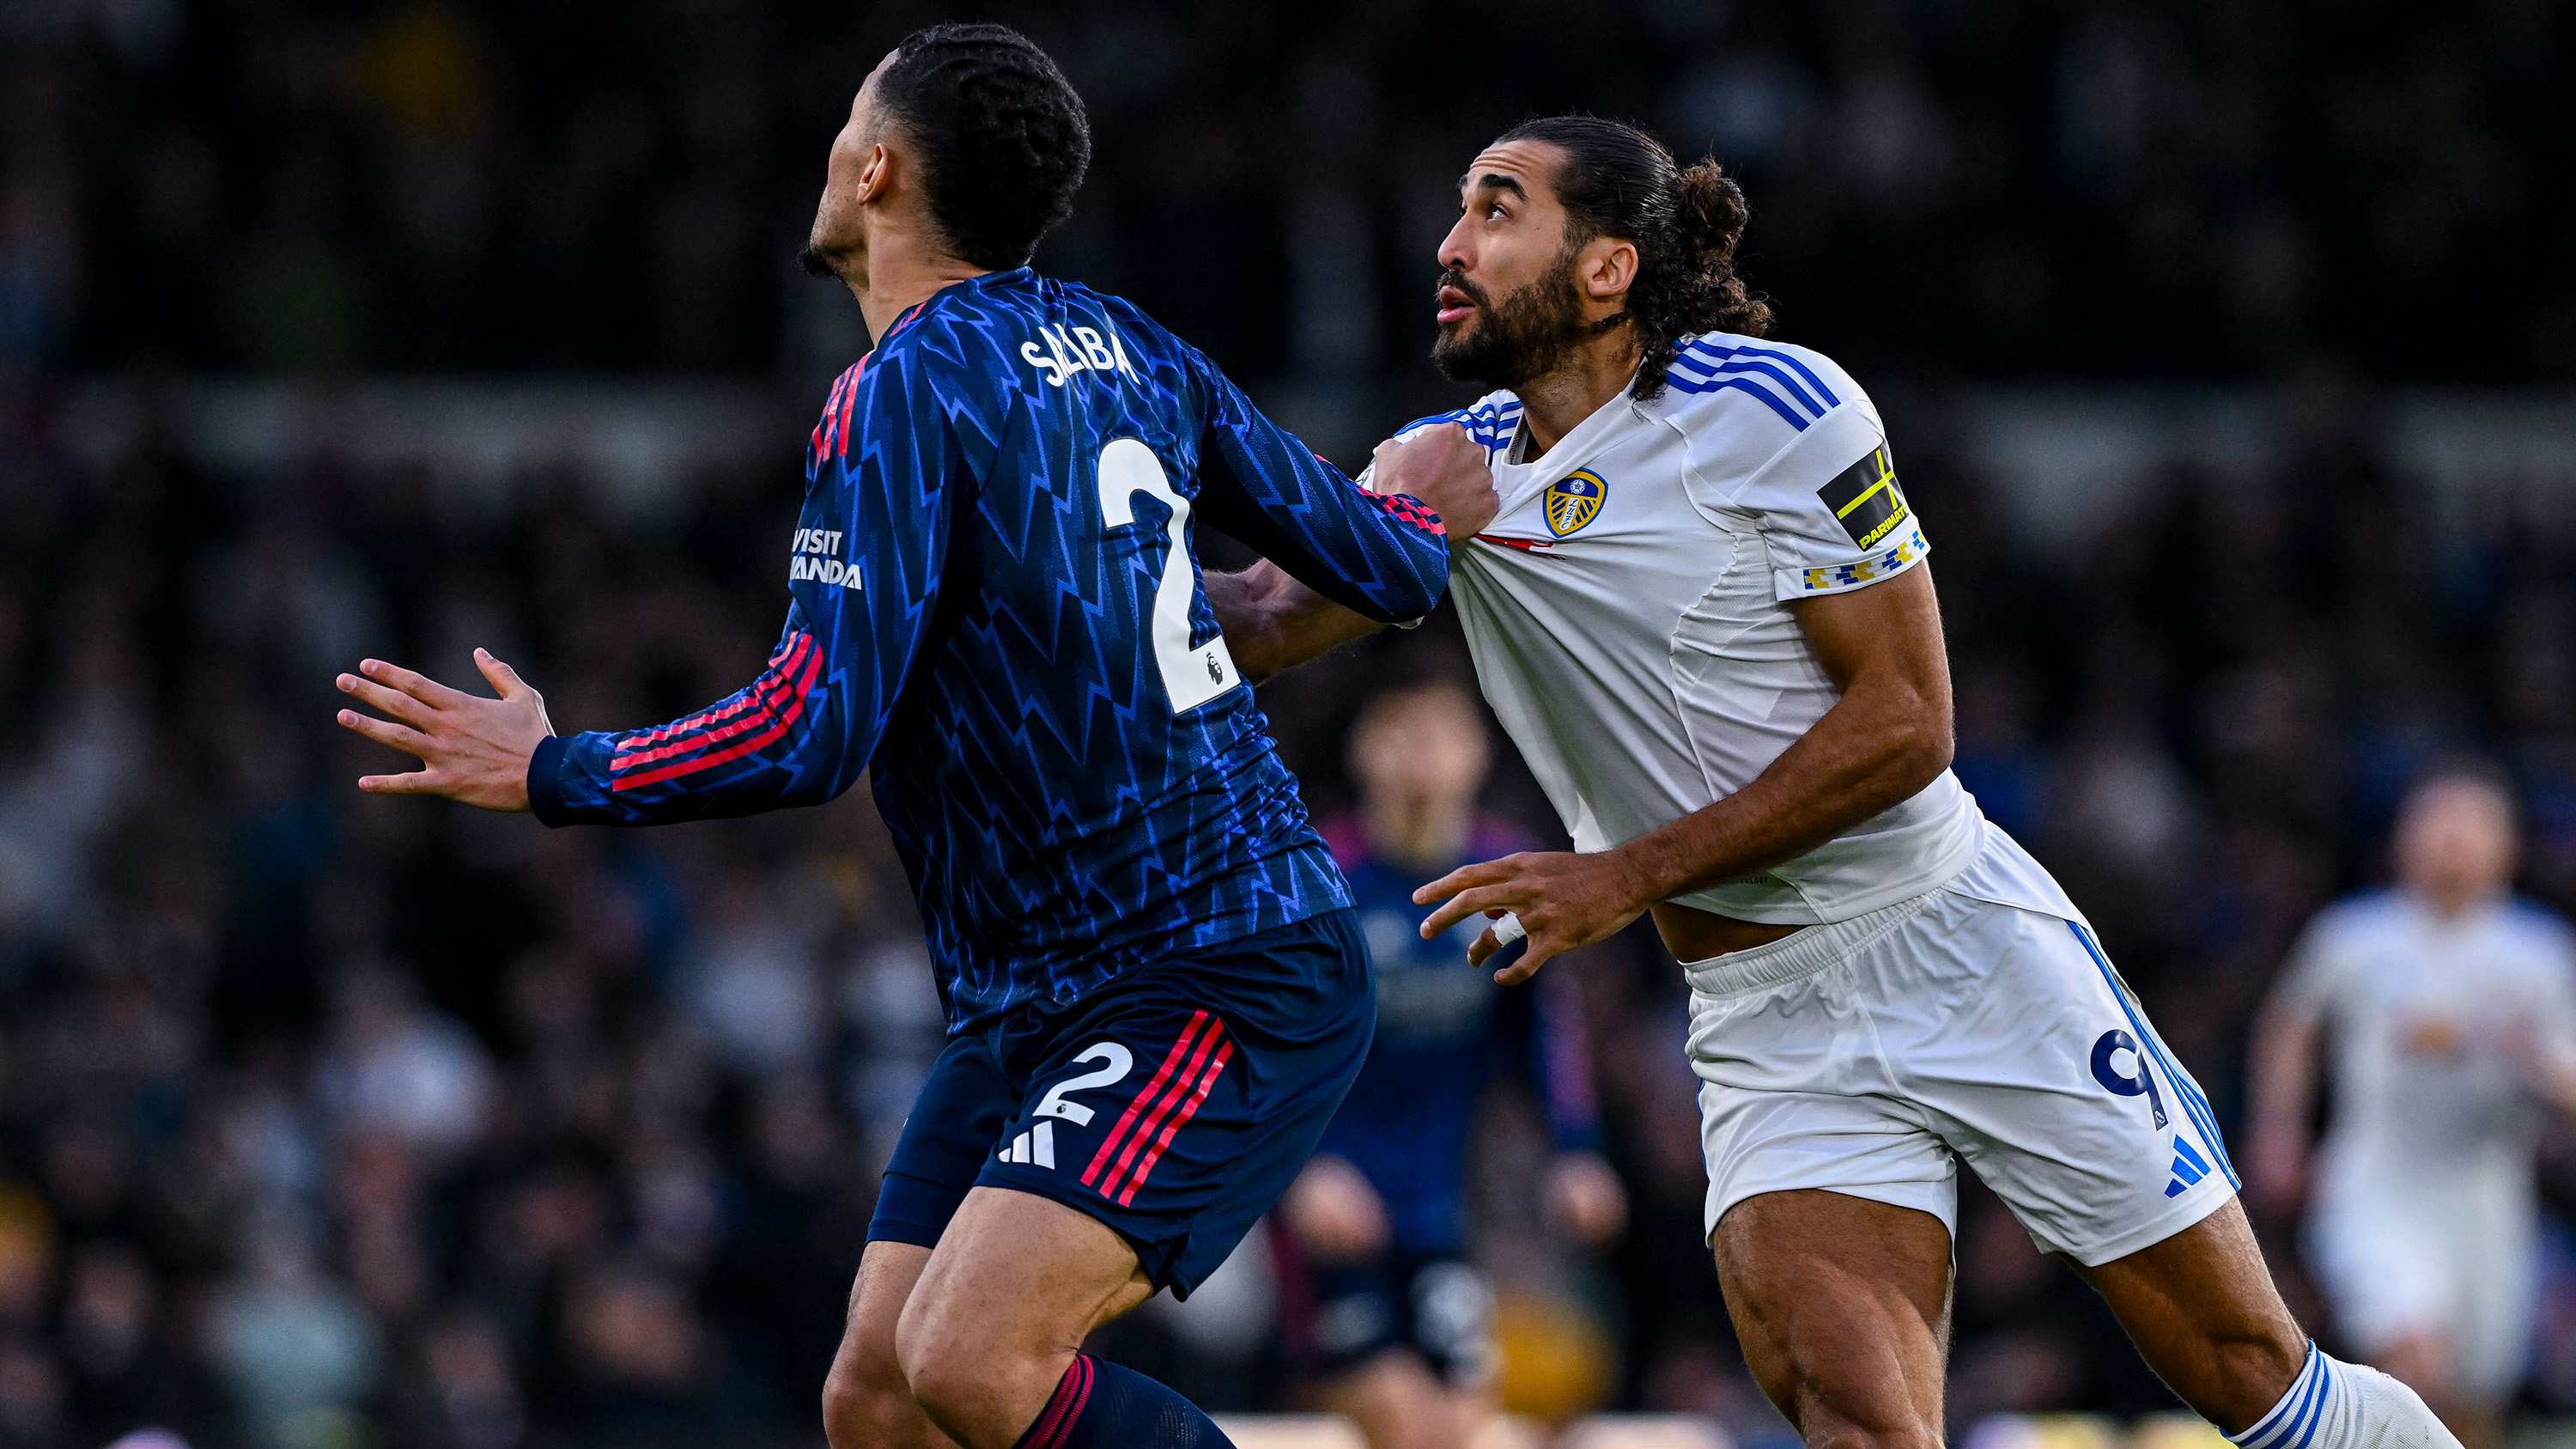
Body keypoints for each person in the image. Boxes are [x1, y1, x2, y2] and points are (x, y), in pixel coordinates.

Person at [1208, 115, 2460, 1449]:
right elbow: (1266, 616)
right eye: (1460, 207)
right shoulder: (1440, 468)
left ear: (1608, 267)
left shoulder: (1774, 408)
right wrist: (1095, 532)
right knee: (1859, 1420)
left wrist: (1626, 873)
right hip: (1767, 1014)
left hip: (1958, 945)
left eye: (1497, 208)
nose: (1452, 245)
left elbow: (1908, 721)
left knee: (2249, 1369)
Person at [327, 26, 1490, 1449]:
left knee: (972, 1358)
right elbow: (1386, 565)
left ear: (877, 168)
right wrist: (1414, 491)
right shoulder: (1129, 342)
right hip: (1040, 990)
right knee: (877, 1397)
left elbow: (808, 731)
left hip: (1209, 963)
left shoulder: (899, 390)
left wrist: (554, 767)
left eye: (845, 127)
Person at [1279, 679, 1624, 1449]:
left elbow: (1542, 1027)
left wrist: (1575, 1151)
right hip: (1328, 1207)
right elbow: (1268, 1041)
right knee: (1397, 1416)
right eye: (1402, 733)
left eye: (1441, 735)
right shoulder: (1321, 880)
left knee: (1464, 1420)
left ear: (1478, 755)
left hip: (1441, 1209)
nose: (1423, 755)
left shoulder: (1501, 882)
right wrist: (1304, 1169)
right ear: (1362, 752)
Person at [2250, 770, 2576, 1448]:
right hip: (2376, 1179)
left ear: (2507, 843)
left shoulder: (2538, 953)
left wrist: (2528, 1057)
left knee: (2473, 1398)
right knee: (2414, 1356)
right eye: (2436, 820)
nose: (2451, 839)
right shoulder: (2353, 936)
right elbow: (2291, 1025)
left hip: (2486, 1194)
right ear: (2404, 837)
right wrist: (2279, 1129)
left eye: (2470, 823)